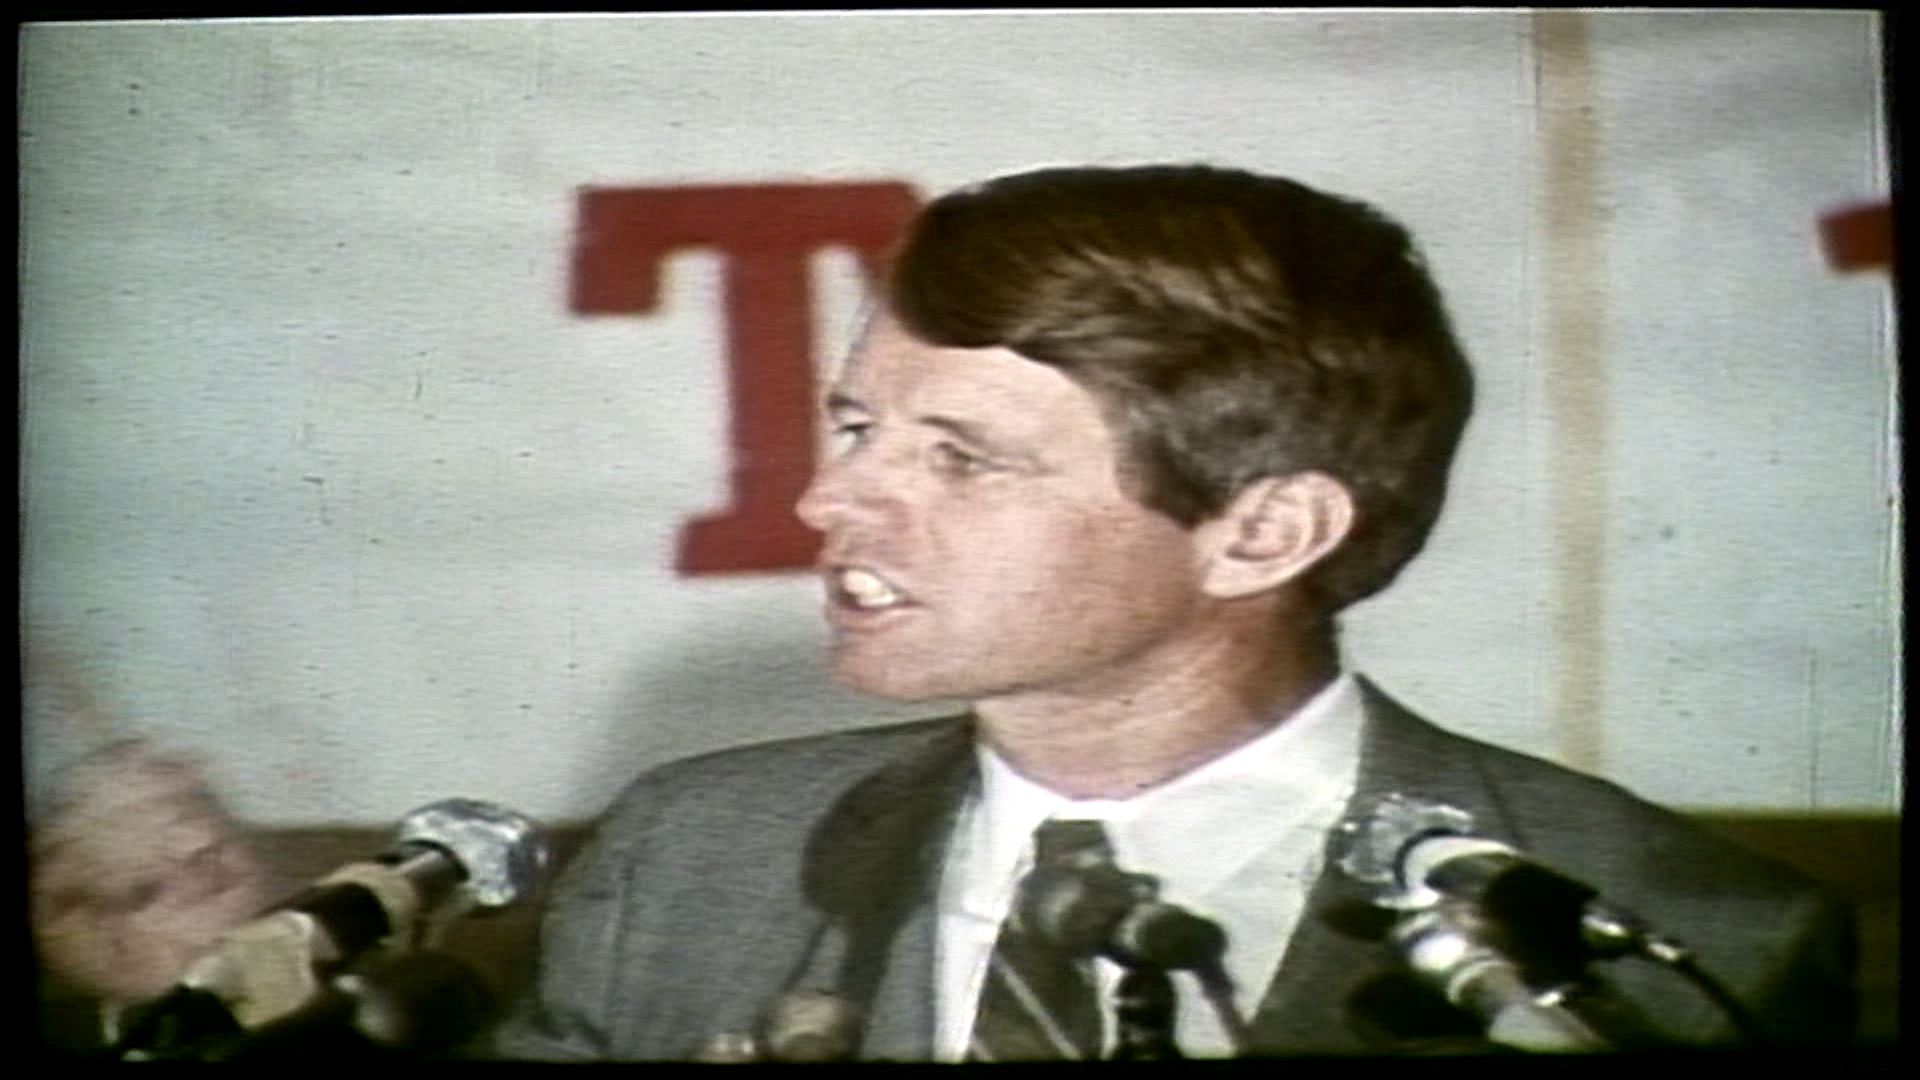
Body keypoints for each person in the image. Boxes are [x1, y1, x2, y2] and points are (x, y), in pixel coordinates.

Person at [487, 163, 1855, 1060]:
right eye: (855, 425)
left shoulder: (1681, 946)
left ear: (1263, 531)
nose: (827, 501)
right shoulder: (686, 858)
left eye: (962, 458)